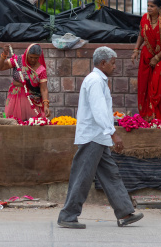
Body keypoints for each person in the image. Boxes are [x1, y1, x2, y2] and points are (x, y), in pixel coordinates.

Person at [58, 46, 144, 229]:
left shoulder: (98, 80)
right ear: (103, 63)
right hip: (93, 137)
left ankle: (125, 212)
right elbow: (98, 111)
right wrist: (113, 133)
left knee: (110, 175)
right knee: (82, 177)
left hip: (98, 137)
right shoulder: (96, 81)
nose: (115, 67)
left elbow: (102, 110)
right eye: (113, 63)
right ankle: (67, 215)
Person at [131, 0, 161, 121]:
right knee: (144, 86)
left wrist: (157, 57)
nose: (149, 8)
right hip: (147, 57)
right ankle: (147, 117)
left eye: (152, 6)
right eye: (148, 5)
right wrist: (136, 50)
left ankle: (160, 119)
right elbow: (141, 35)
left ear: (160, 8)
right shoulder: (144, 18)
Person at [0, 43, 50, 121]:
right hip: (15, 97)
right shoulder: (18, 60)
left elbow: (44, 89)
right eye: (31, 57)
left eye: (36, 58)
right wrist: (4, 54)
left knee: (33, 123)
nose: (33, 60)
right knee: (13, 122)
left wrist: (46, 105)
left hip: (32, 100)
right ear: (26, 53)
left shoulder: (41, 70)